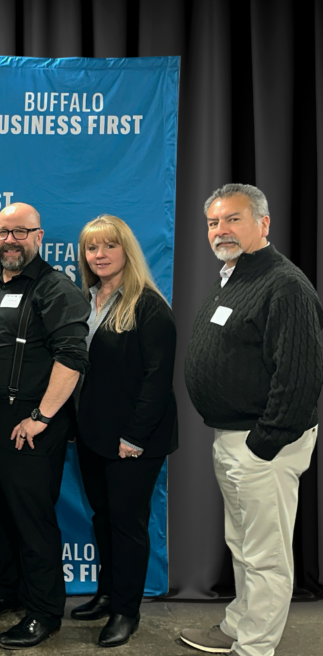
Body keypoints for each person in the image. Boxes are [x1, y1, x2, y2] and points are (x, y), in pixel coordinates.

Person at [182, 184, 323, 656]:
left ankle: (255, 648)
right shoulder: (236, 277)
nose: (221, 230)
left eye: (233, 219)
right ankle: (237, 626)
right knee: (241, 543)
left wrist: (266, 443)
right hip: (234, 436)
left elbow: (300, 375)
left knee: (265, 555)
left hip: (264, 442)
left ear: (263, 224)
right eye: (213, 222)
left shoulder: (285, 284)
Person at [0, 202, 89, 649]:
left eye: (21, 232)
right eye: (3, 232)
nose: (11, 240)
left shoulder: (56, 288)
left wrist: (43, 417)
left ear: (39, 236)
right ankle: (5, 590)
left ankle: (44, 610)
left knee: (32, 521)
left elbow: (72, 357)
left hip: (28, 423)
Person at [71, 215, 178, 648]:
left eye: (108, 247)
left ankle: (125, 611)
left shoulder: (149, 305)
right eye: (92, 248)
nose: (99, 255)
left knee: (128, 525)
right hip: (93, 435)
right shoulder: (86, 300)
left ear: (126, 251)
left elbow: (157, 379)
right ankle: (107, 592)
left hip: (135, 440)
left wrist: (134, 436)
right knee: (103, 518)